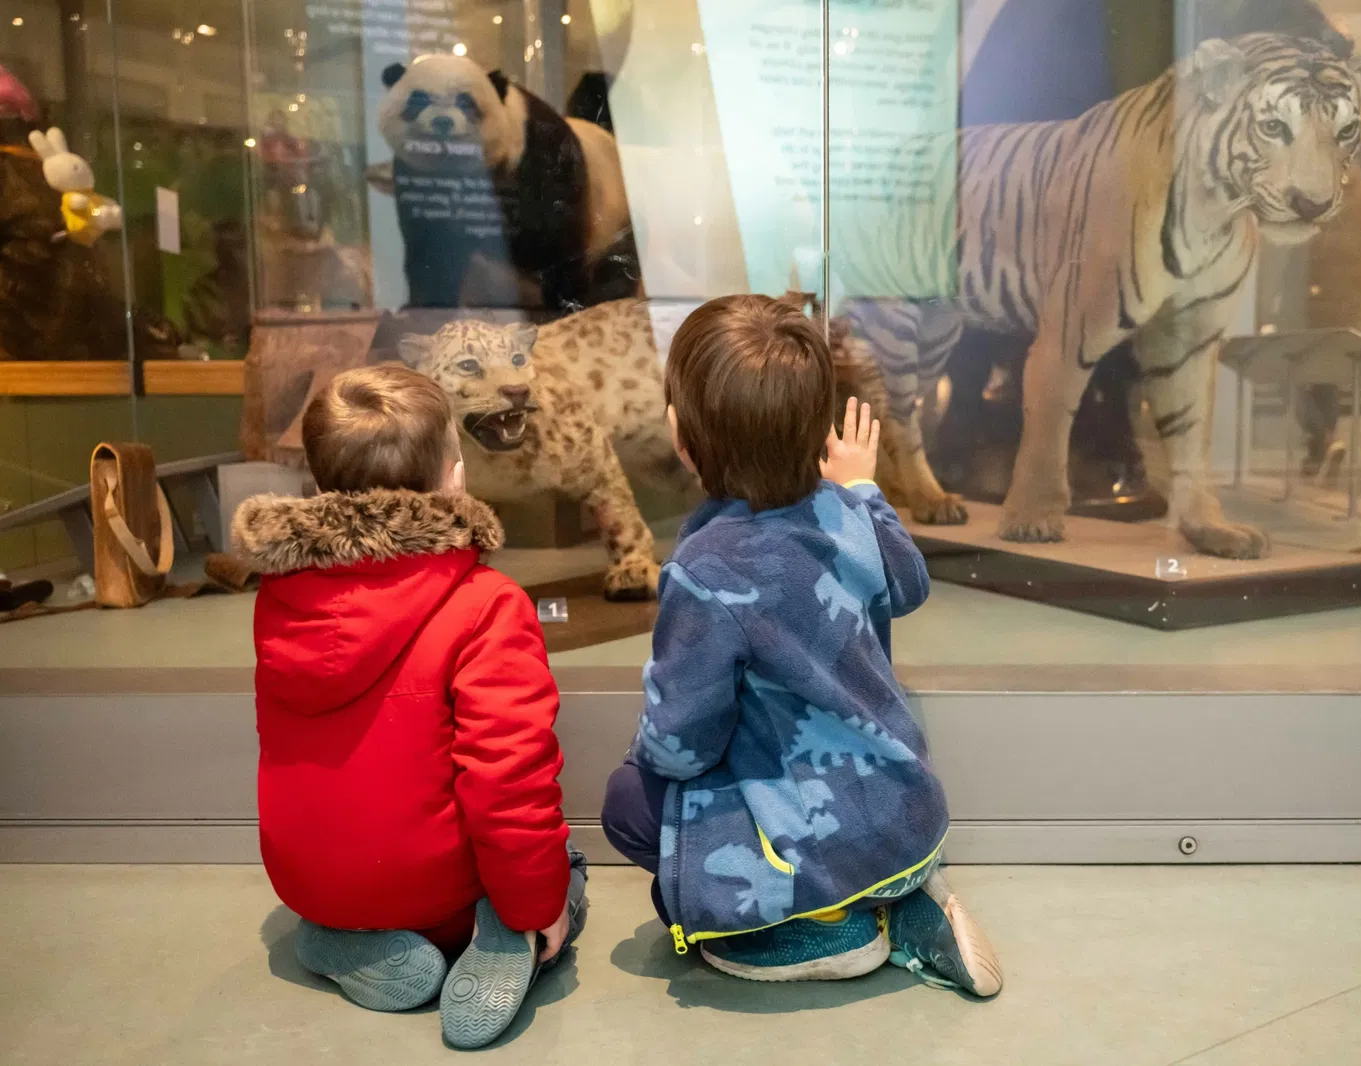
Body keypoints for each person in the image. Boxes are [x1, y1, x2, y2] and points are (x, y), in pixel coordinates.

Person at [601, 295, 1003, 996]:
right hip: (905, 816)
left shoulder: (706, 571)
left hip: (808, 851)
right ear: (819, 430)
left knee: (630, 801)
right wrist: (867, 490)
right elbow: (908, 584)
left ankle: (823, 936)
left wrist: (649, 756)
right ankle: (899, 896)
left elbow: (682, 743)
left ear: (681, 435)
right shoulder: (847, 511)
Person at [231, 365, 585, 1049]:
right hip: (437, 895)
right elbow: (506, 776)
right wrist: (536, 903)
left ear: (320, 479)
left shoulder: (279, 599)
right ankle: (499, 934)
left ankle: (339, 937)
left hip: (311, 880)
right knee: (563, 867)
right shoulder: (486, 604)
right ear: (453, 478)